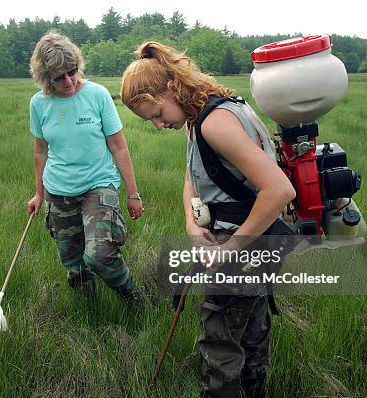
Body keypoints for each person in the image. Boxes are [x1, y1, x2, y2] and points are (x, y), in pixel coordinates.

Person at [121, 42, 296, 397]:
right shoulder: (202, 116)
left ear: (171, 87)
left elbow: (279, 190)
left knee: (220, 347)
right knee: (250, 333)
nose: (157, 125)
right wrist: (191, 223)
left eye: (156, 113)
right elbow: (194, 175)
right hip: (257, 246)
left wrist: (229, 247)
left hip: (242, 250)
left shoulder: (214, 123)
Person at [27, 32, 144, 305]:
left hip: (98, 184)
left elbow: (118, 146)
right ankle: (89, 307)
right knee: (74, 262)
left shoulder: (97, 95)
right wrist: (39, 194)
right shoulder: (39, 103)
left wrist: (133, 193)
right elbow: (40, 150)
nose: (69, 81)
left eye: (72, 72)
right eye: (59, 77)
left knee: (99, 254)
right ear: (45, 78)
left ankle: (132, 296)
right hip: (59, 190)